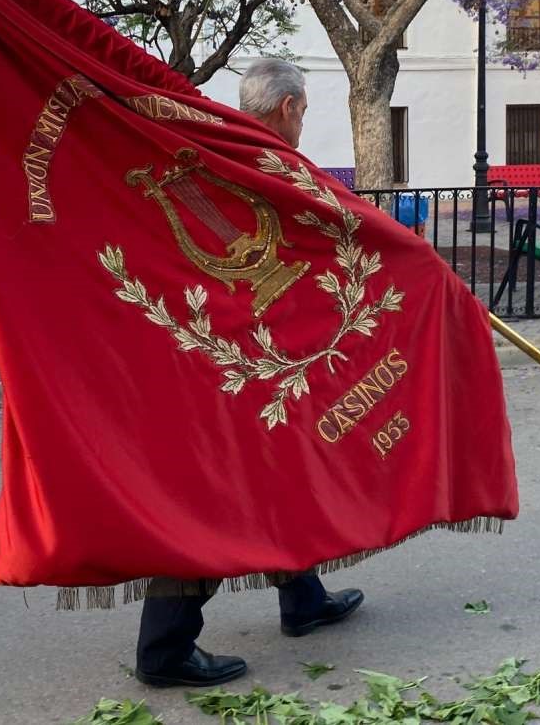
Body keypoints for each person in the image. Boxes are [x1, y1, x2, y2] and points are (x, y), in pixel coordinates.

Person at [135, 58, 363, 688]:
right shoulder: (268, 159)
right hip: (235, 360)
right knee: (219, 495)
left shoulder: (215, 147)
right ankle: (163, 648)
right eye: (305, 112)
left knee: (283, 474)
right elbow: (344, 224)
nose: (302, 123)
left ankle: (303, 598)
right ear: (288, 108)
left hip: (244, 350)